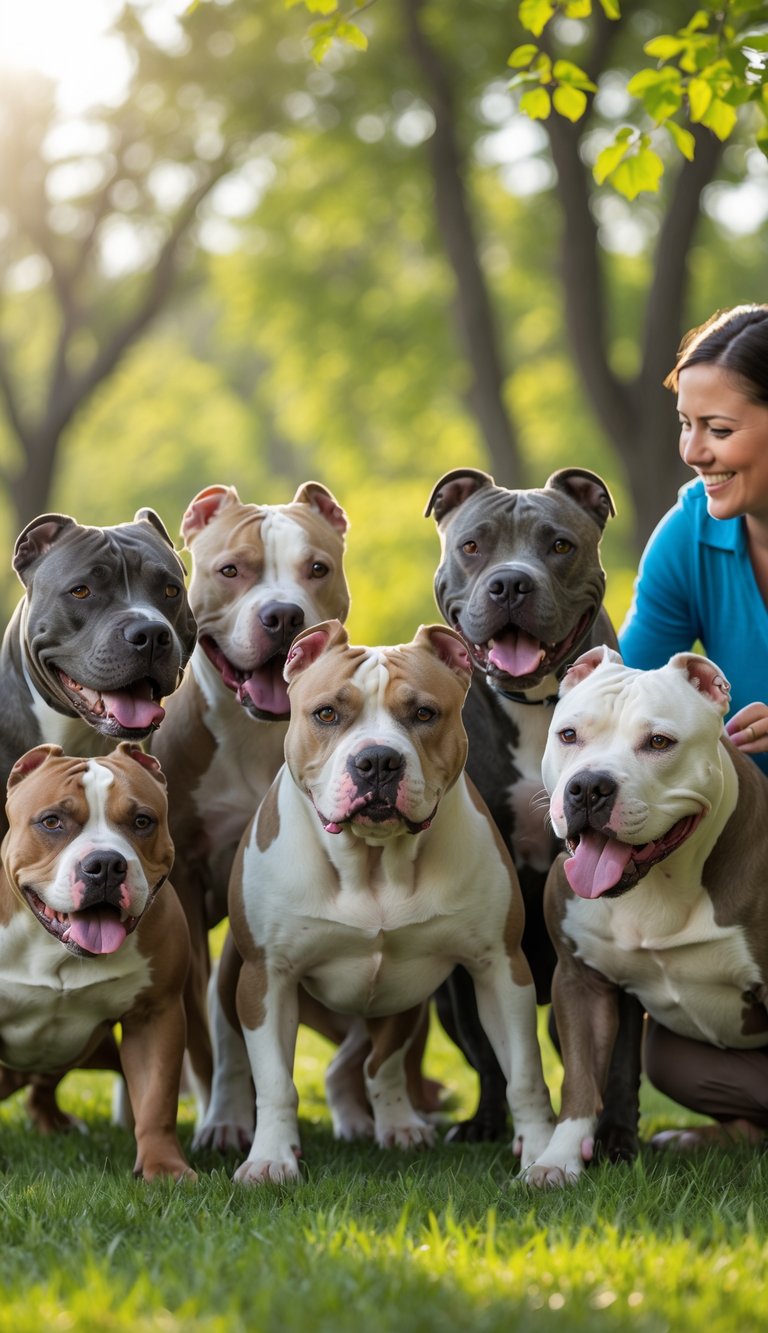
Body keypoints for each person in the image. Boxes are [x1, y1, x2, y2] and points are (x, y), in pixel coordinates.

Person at [619, 303, 768, 1152]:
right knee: (674, 1056)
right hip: (750, 855)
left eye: (717, 427)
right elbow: (634, 690)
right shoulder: (691, 531)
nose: (694, 451)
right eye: (685, 426)